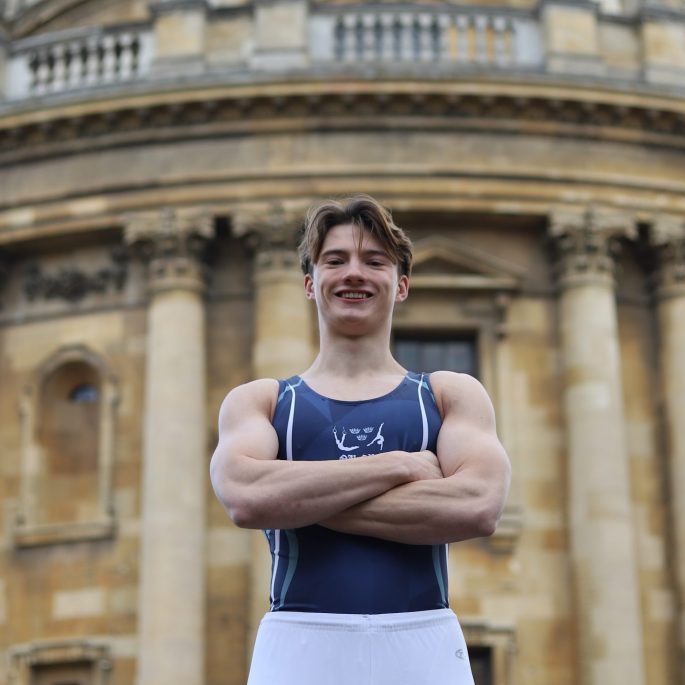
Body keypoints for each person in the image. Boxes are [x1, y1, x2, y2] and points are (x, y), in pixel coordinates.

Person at [210, 195, 511, 685]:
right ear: (310, 284)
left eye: (374, 261)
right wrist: (399, 466)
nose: (354, 273)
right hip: (300, 643)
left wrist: (295, 500)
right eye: (335, 260)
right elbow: (246, 498)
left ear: (401, 285)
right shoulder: (262, 401)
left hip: (422, 642)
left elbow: (478, 506)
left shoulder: (447, 394)